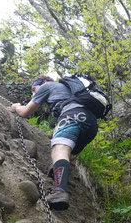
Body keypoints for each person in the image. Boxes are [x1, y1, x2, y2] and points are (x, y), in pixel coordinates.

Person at [10, 75, 98, 210]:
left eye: (34, 87)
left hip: (71, 114)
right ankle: (58, 169)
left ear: (44, 82)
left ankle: (59, 191)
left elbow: (25, 113)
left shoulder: (47, 86)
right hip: (91, 123)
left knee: (60, 149)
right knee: (68, 151)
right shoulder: (73, 92)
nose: (34, 92)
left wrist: (16, 106)